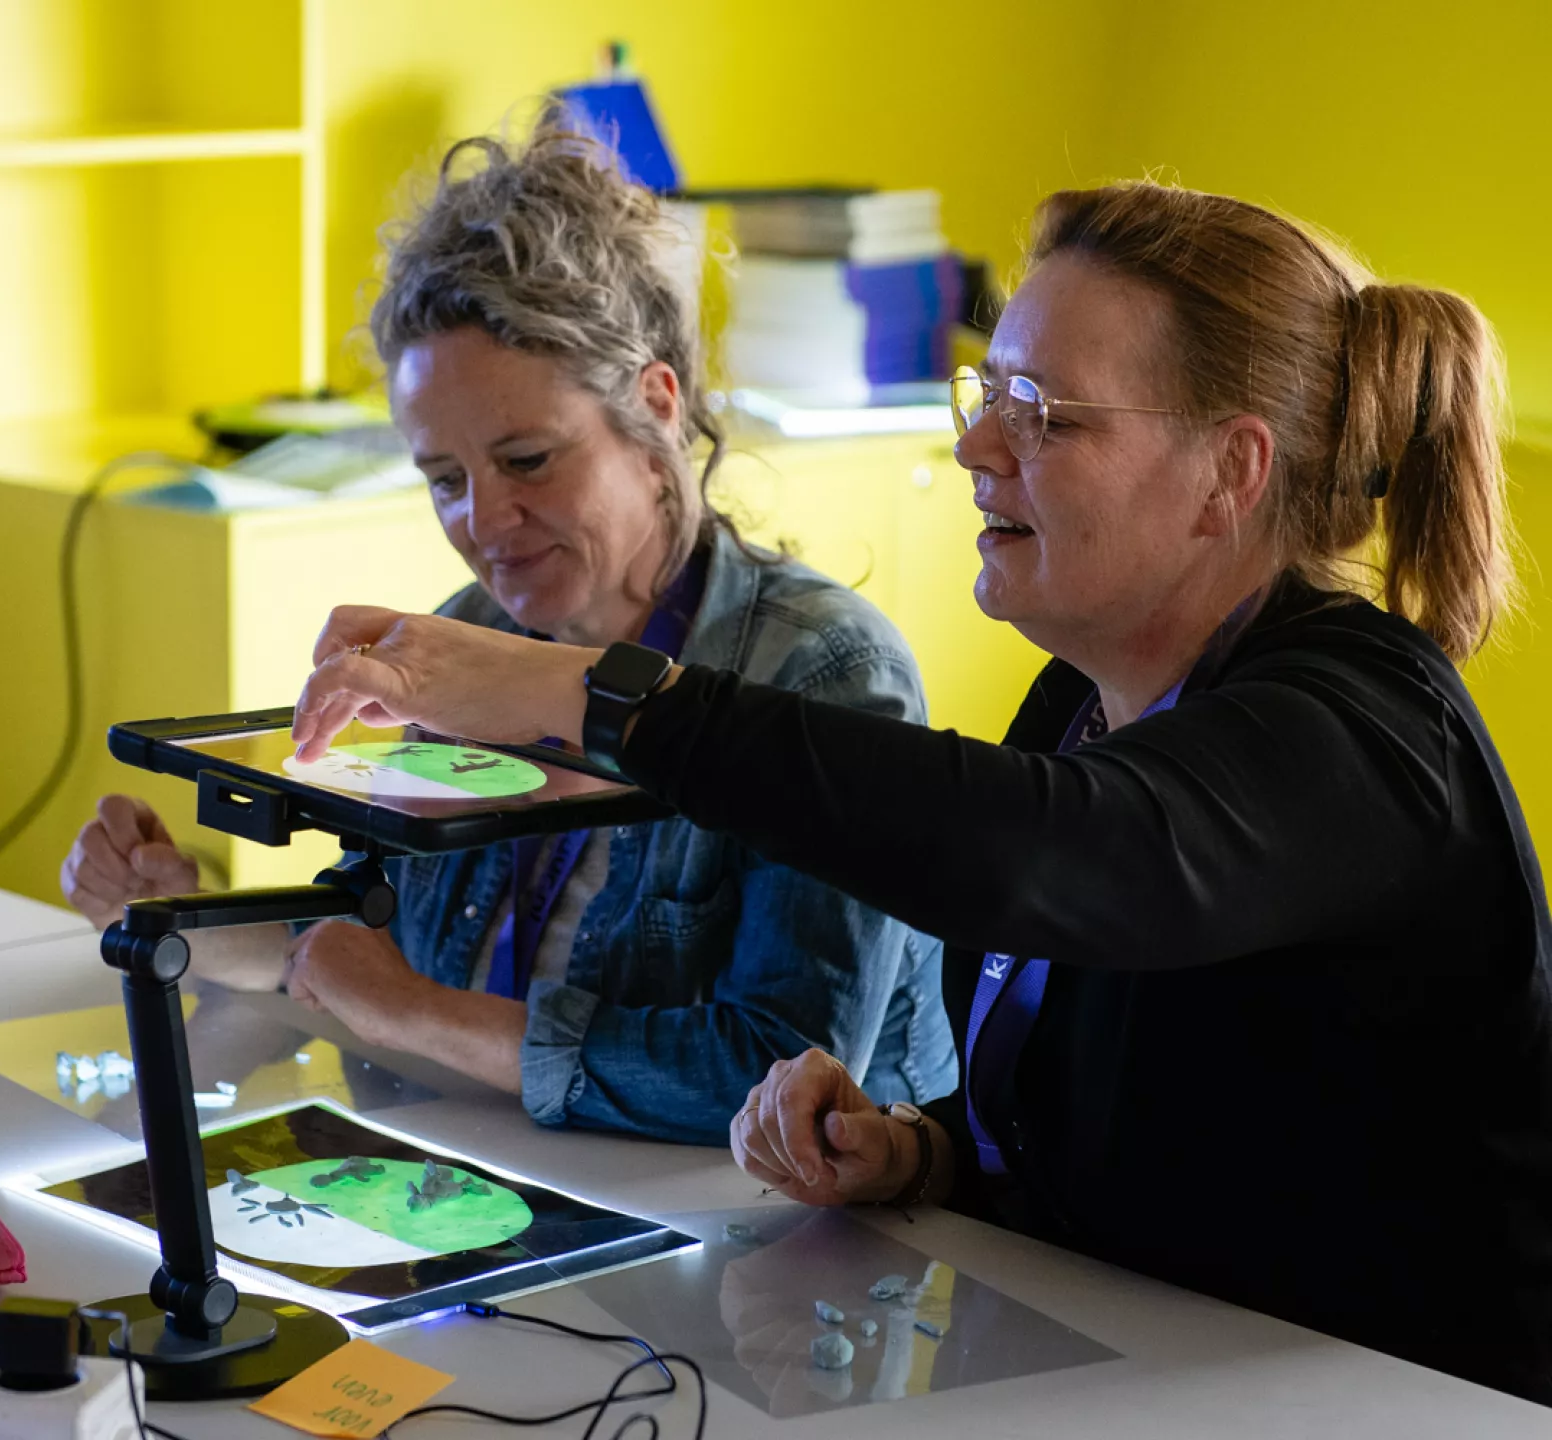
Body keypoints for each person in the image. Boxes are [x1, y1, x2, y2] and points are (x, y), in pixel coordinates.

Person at [285, 181, 1552, 1403]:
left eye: (1045, 412)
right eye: (988, 392)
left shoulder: (1359, 731)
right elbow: (1164, 1136)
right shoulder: (1085, 703)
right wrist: (926, 1151)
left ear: (1231, 473)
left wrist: (596, 696)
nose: (975, 444)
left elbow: (1056, 860)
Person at [61, 120, 955, 1146]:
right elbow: (371, 932)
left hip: (776, 1238)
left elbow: (783, 1074)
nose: (483, 525)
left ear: (656, 410)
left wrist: (416, 1014)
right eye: (445, 480)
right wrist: (186, 916)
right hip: (493, 1169)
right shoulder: (471, 634)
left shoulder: (824, 672)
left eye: (528, 460)